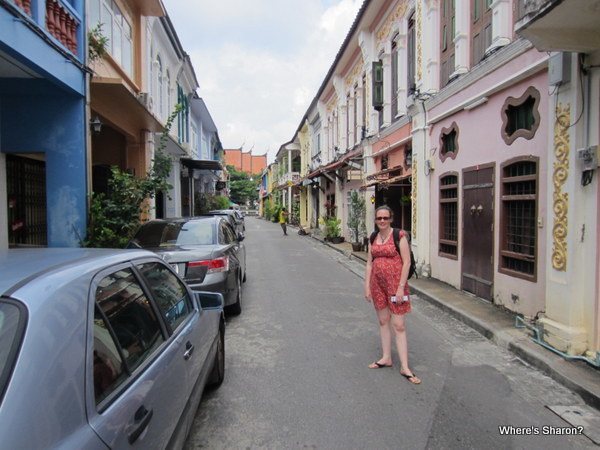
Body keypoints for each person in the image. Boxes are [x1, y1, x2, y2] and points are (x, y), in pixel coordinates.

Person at [364, 205, 421, 385]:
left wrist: (400, 286)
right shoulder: (373, 237)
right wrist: (367, 286)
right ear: (375, 220)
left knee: (399, 325)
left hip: (396, 286)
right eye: (379, 218)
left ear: (391, 219)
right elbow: (369, 264)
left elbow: (407, 262)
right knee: (383, 321)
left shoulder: (399, 236)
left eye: (385, 218)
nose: (382, 221)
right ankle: (386, 357)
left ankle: (405, 366)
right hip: (377, 285)